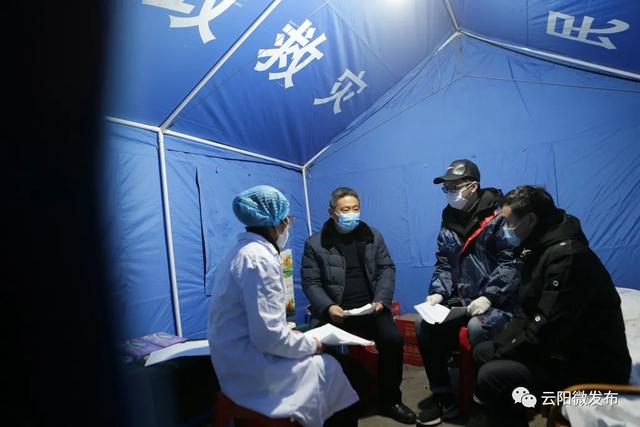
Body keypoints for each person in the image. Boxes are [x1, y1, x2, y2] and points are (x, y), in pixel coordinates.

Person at [468, 185, 632, 427]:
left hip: (591, 365)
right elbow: (527, 310)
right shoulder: (539, 248)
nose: (505, 229)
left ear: (531, 219)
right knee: (483, 351)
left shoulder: (566, 257)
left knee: (493, 375)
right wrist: (500, 345)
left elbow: (545, 327)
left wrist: (503, 351)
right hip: (562, 348)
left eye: (509, 222)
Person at [207, 185, 359, 427]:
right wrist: (313, 344)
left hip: (234, 365)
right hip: (255, 372)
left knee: (339, 367)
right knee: (337, 369)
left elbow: (260, 323)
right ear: (277, 222)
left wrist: (291, 335)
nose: (289, 224)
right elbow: (268, 337)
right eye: (287, 219)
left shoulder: (240, 252)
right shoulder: (260, 259)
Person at [415, 159, 521, 426]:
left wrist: (490, 296)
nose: (450, 192)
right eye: (446, 188)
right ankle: (443, 396)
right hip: (461, 300)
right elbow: (444, 263)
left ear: (473, 187)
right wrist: (438, 293)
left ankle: (481, 400)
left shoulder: (499, 217)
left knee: (477, 328)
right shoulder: (448, 219)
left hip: (498, 302)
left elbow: (511, 262)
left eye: (455, 187)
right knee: (422, 323)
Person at [301, 187, 417, 425]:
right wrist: (328, 307)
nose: (351, 214)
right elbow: (310, 282)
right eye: (345, 210)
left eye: (355, 209)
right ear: (332, 212)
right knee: (320, 349)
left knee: (392, 340)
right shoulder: (315, 244)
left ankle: (390, 400)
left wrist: (381, 300)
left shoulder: (372, 236)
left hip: (371, 309)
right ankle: (336, 406)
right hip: (334, 312)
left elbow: (387, 268)